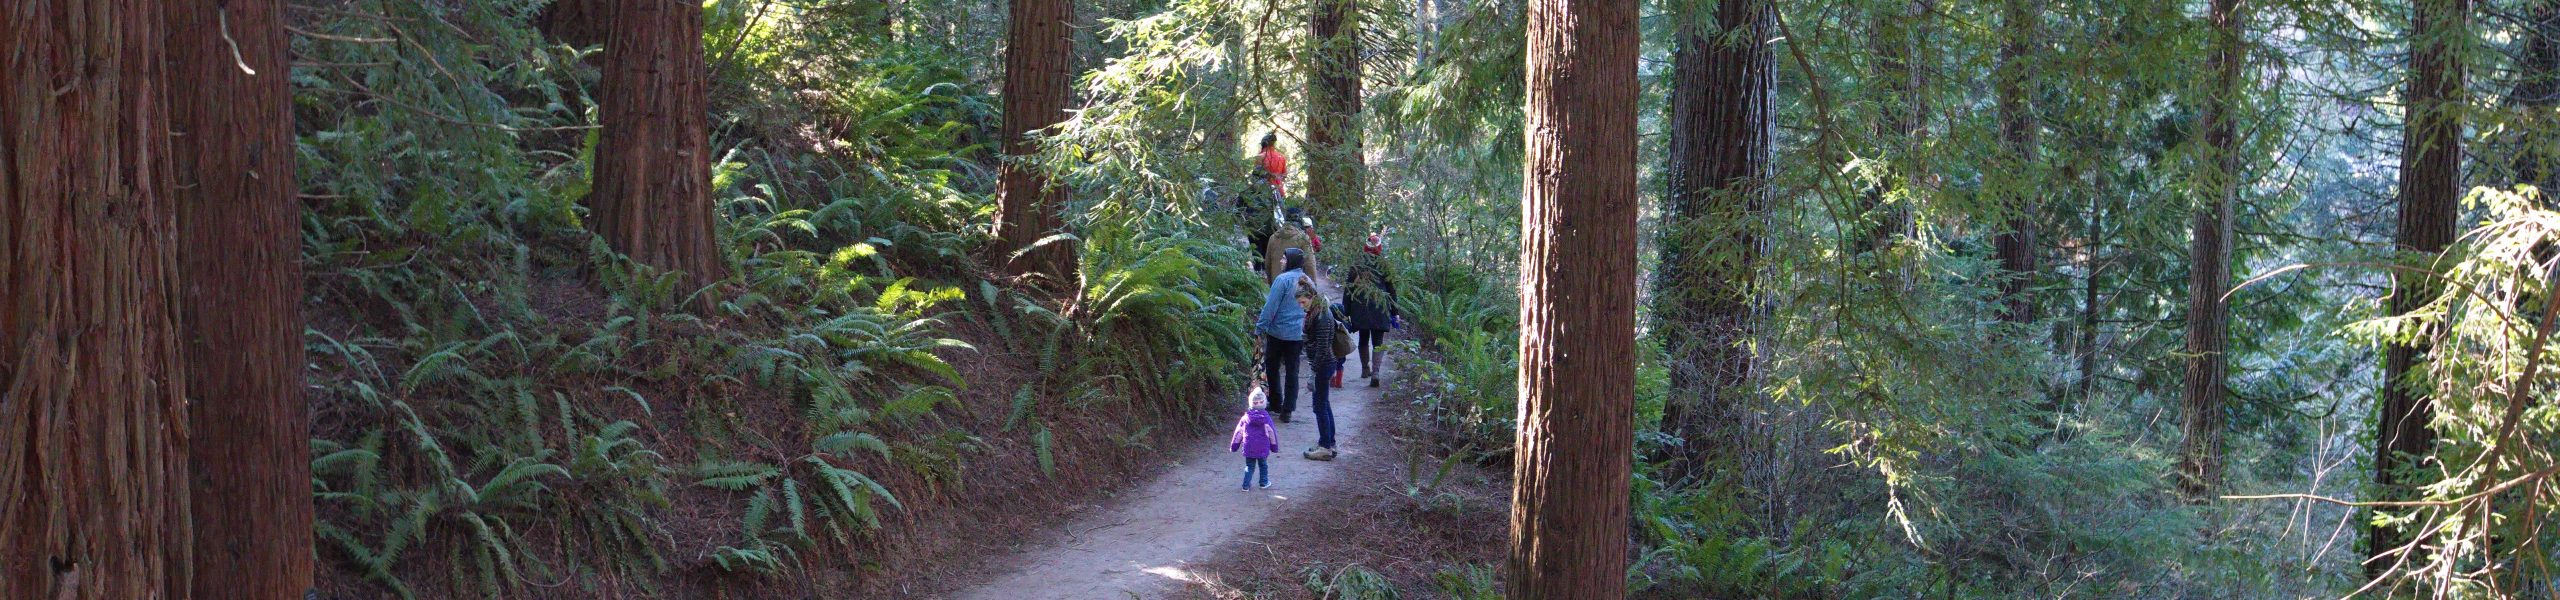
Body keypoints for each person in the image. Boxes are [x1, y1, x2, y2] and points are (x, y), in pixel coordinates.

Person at [1258, 248, 1312, 421]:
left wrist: (1260, 327)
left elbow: (1270, 307)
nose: (1281, 261)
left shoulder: (1282, 280)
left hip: (1278, 333)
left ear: (1290, 261)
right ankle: (1288, 410)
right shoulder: (1307, 281)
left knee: (1272, 367)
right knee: (1292, 370)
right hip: (1297, 334)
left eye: (1283, 258)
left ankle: (1275, 402)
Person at [1342, 234, 1399, 387]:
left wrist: (1346, 311)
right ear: (1379, 247)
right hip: (1380, 307)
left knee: (1363, 338)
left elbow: (1349, 289)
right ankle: (1376, 372)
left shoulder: (1357, 264)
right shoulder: (1384, 264)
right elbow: (1391, 290)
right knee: (1378, 341)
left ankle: (1365, 369)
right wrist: (1395, 312)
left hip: (1360, 307)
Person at [1297, 280, 1342, 460]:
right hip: (1324, 364)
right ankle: (1329, 442)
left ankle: (1325, 447)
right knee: (1324, 404)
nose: (1301, 306)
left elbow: (1323, 348)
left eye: (1303, 302)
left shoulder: (1322, 316)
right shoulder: (1316, 312)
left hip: (1323, 365)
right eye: (1299, 303)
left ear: (1312, 297)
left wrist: (1313, 372)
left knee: (1319, 406)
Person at [1229, 383, 1280, 489]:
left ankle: (1245, 486)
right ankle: (1264, 482)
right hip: (1262, 446)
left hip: (1249, 447)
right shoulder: (1267, 418)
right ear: (1264, 403)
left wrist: (1234, 446)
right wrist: (1274, 447)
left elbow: (1238, 433)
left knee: (1249, 466)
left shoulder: (1245, 418)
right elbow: (1272, 433)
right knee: (1263, 465)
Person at [1264, 207, 1322, 283]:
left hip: (1277, 283)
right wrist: (1313, 286)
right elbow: (1310, 265)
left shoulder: (1273, 238)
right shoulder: (1303, 239)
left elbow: (1267, 264)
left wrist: (1271, 283)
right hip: (1296, 287)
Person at [1257, 133, 1288, 202]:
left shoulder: (1260, 156)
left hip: (1263, 192)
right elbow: (1284, 175)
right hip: (1279, 192)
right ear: (1273, 144)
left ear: (1263, 144)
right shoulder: (1282, 157)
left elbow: (1255, 175)